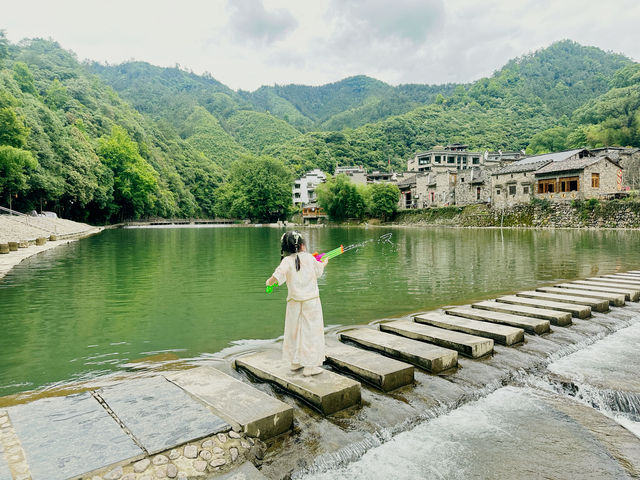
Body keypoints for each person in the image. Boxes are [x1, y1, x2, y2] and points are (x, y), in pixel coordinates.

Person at [266, 231, 327, 376]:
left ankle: (295, 362)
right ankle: (310, 366)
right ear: (302, 245)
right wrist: (324, 262)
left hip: (293, 303)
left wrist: (269, 284)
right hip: (311, 303)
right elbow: (319, 271)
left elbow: (275, 277)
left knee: (294, 332)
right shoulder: (311, 259)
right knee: (311, 332)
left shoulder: (286, 261)